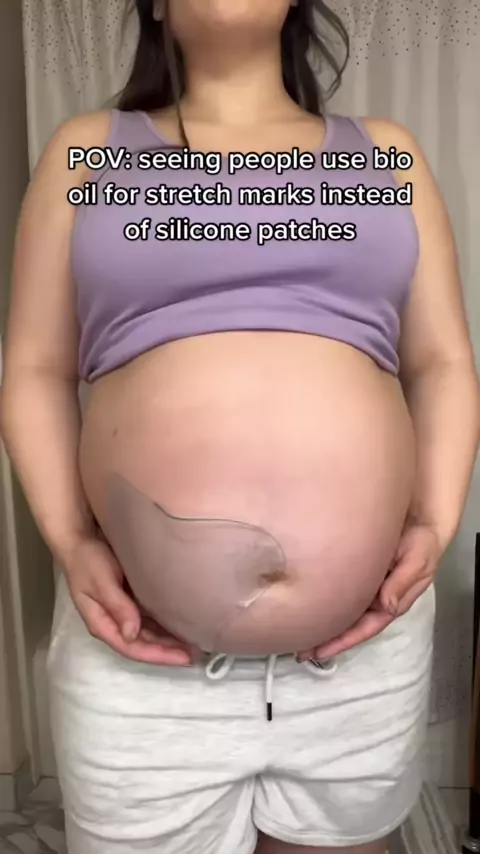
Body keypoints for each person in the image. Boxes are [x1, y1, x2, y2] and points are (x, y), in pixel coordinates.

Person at [1, 0, 479, 852]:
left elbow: (441, 362)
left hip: (359, 665)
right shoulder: (87, 152)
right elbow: (35, 368)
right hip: (143, 663)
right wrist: (70, 540)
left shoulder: (387, 156)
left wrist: (437, 521)